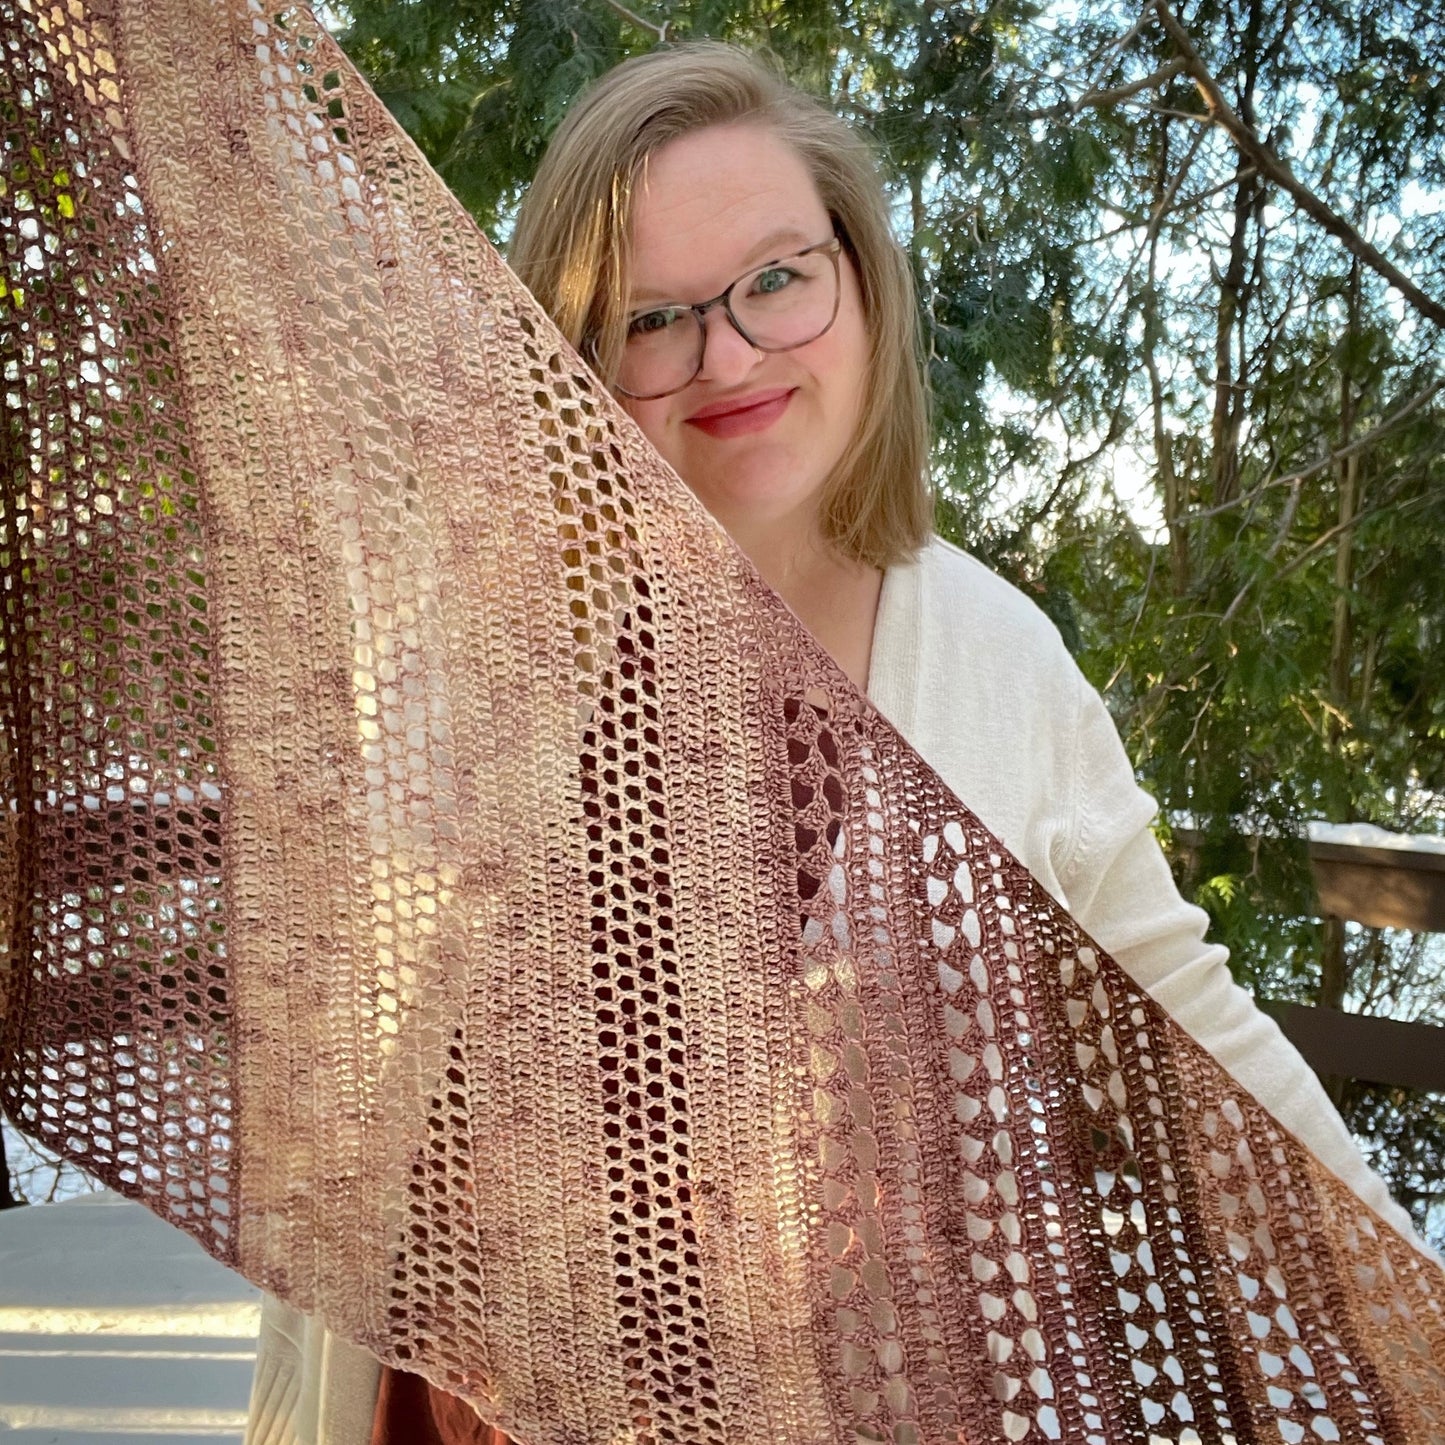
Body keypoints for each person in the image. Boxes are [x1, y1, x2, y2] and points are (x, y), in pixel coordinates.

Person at [245, 40, 1427, 1445]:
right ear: (574, 363)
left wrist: (1412, 1308)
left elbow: (1190, 1028)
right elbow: (346, 1084)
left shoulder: (998, 666)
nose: (728, 355)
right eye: (648, 319)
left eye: (776, 280)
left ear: (860, 284)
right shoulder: (477, 659)